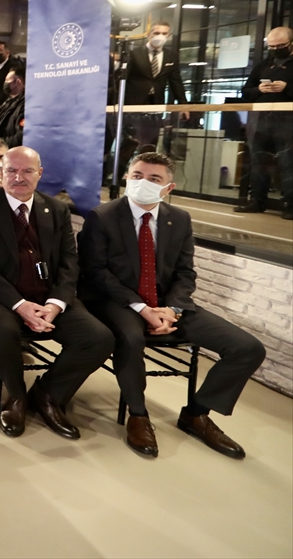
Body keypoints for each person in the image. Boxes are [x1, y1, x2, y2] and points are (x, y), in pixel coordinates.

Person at [80, 152, 265, 458]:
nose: (143, 182)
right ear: (126, 177)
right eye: (137, 175)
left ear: (168, 188)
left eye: (154, 179)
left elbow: (185, 272)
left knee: (248, 348)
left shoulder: (179, 219)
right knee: (131, 338)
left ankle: (196, 413)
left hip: (168, 305)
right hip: (119, 302)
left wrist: (173, 309)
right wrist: (142, 309)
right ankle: (138, 415)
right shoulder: (102, 216)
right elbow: (96, 273)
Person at [0, 146, 113, 441]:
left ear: (40, 174)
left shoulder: (56, 209)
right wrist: (20, 305)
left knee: (99, 337)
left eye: (27, 171)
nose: (19, 177)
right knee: (1, 328)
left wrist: (55, 304)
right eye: (11, 170)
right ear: (1, 173)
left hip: (48, 296)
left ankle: (48, 393)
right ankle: (16, 396)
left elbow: (69, 261)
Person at [236, 26, 293, 218]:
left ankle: (289, 205)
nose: (276, 49)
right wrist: (259, 89)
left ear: (291, 43)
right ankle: (257, 201)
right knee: (258, 161)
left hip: (288, 120)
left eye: (280, 46)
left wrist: (287, 88)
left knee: (288, 162)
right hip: (260, 120)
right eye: (272, 46)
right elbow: (245, 91)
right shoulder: (262, 65)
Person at [123, 23, 187, 106]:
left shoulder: (172, 56)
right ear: (148, 34)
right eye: (156, 33)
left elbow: (176, 81)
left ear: (168, 35)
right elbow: (124, 77)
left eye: (164, 33)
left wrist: (183, 104)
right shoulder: (134, 53)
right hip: (134, 101)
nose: (160, 36)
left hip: (157, 101)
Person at [0, 70, 26, 148]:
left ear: (18, 81)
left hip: (14, 151)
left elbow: (21, 136)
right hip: (2, 149)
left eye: (8, 80)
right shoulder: (6, 103)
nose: (5, 83)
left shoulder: (25, 105)